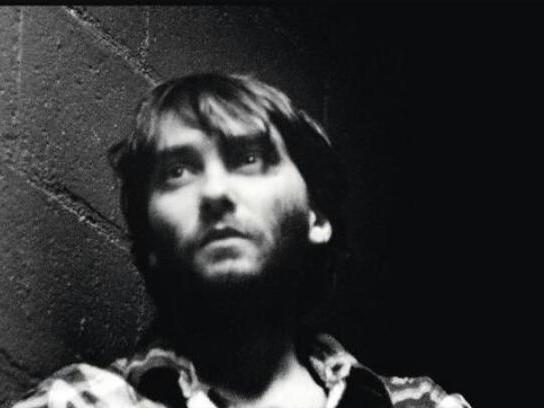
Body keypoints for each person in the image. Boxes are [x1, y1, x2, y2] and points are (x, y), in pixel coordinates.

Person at [13, 73, 471, 408]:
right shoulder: (80, 402)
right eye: (177, 171)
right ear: (151, 241)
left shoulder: (423, 405)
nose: (214, 192)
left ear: (316, 217)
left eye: (248, 157)